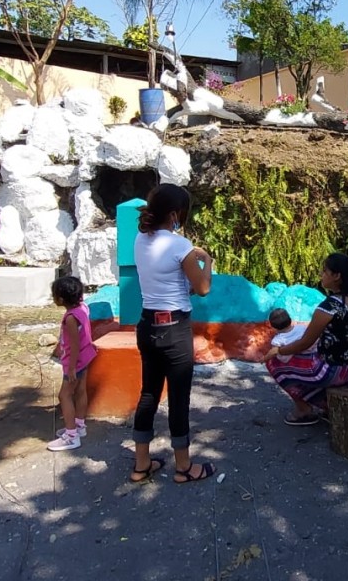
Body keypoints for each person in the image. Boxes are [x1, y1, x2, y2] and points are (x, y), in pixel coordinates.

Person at [131, 183, 215, 484]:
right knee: (179, 398)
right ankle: (184, 467)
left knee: (149, 393)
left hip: (147, 325)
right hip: (175, 329)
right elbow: (203, 288)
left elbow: (166, 280)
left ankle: (141, 464)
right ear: (175, 214)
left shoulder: (140, 239)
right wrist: (207, 262)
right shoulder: (180, 245)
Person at [263, 253, 348, 426]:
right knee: (305, 358)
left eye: (325, 271)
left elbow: (304, 342)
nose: (321, 274)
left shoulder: (329, 307)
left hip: (333, 372)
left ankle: (304, 410)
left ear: (336, 276)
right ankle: (328, 406)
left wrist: (278, 350)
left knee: (274, 362)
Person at [46, 276, 97, 452]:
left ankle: (71, 436)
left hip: (75, 361)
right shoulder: (83, 308)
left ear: (60, 299)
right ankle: (79, 425)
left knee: (64, 396)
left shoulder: (70, 318)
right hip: (86, 356)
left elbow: (74, 344)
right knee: (80, 391)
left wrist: (72, 368)